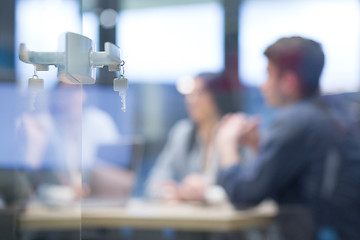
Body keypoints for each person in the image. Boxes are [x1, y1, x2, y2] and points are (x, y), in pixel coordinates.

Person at [217, 36, 360, 240]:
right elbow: (299, 182)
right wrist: (259, 146)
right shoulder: (334, 113)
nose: (262, 86)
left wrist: (226, 145)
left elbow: (244, 197)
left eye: (268, 75)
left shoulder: (294, 120)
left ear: (289, 82)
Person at [145, 72, 239, 202]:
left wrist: (207, 193)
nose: (190, 100)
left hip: (226, 219)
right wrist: (176, 191)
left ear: (217, 96)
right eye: (189, 94)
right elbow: (153, 184)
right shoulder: (182, 133)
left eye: (199, 93)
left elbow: (245, 190)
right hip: (190, 219)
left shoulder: (235, 131)